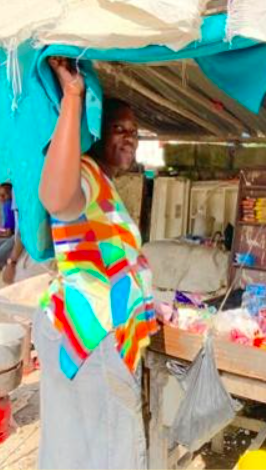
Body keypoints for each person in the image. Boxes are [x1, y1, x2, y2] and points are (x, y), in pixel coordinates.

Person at [34, 56, 158, 469]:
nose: (129, 138)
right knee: (110, 454)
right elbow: (57, 198)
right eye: (118, 129)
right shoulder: (84, 172)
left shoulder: (105, 183)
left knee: (79, 453)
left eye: (134, 133)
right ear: (94, 132)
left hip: (91, 335)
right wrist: (73, 97)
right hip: (92, 337)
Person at [0, 183, 16, 268]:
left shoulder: (7, 205)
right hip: (11, 234)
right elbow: (6, 229)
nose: (1, 198)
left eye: (3, 195)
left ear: (10, 194)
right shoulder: (5, 205)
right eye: (0, 195)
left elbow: (9, 233)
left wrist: (1, 233)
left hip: (13, 236)